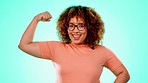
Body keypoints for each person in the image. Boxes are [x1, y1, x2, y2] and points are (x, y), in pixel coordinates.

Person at [18, 5, 130, 83]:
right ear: (65, 27)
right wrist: (35, 19)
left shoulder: (102, 51)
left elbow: (123, 74)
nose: (75, 30)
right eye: (71, 25)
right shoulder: (56, 48)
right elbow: (24, 45)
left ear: (90, 28)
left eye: (81, 25)